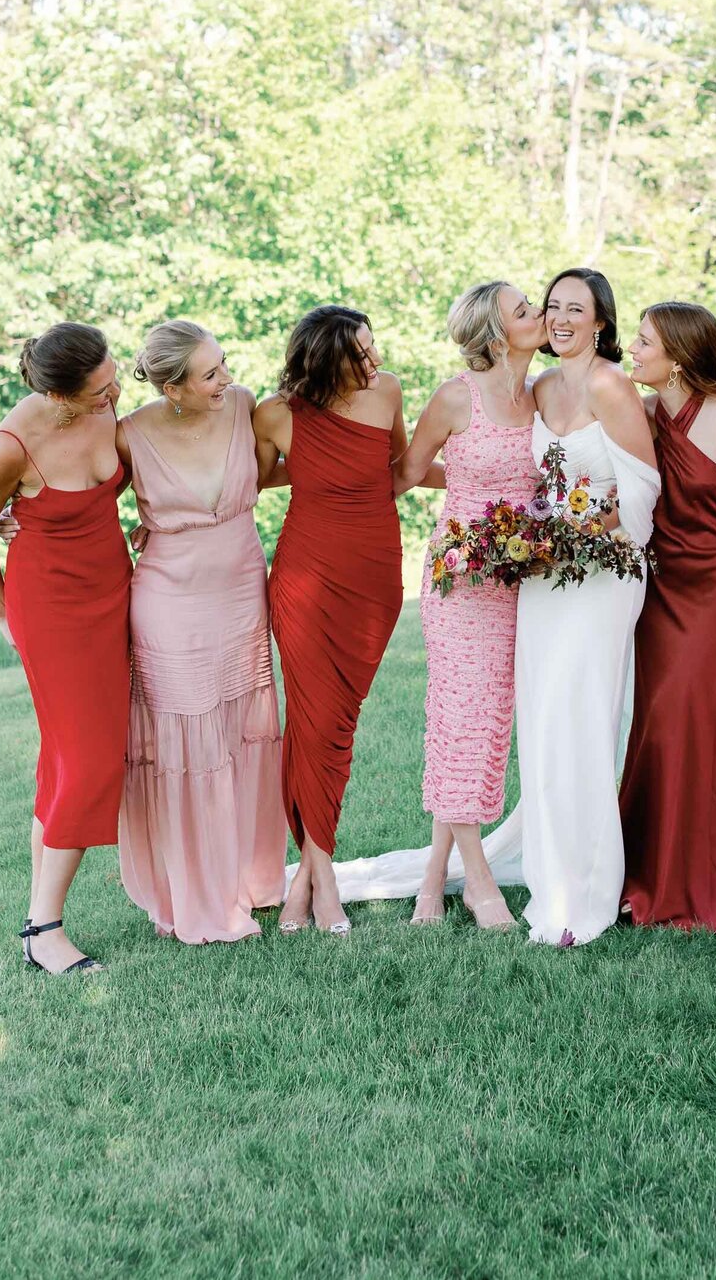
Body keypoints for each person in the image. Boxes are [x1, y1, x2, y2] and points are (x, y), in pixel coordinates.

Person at [0, 322, 131, 975]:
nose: (112, 393)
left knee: (65, 760)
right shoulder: (14, 442)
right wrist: (2, 611)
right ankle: (44, 928)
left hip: (111, 595)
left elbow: (121, 475)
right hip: (50, 610)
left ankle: (38, 922)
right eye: (99, 389)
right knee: (91, 763)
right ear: (61, 397)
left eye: (113, 377)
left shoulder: (106, 404)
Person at [118, 320, 287, 943]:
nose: (228, 379)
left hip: (243, 593)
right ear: (172, 387)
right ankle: (193, 894)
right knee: (187, 742)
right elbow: (74, 494)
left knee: (243, 734)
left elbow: (294, 464)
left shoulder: (243, 407)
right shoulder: (129, 435)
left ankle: (249, 875)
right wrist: (11, 518)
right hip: (169, 604)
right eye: (211, 373)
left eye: (225, 364)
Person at [394, 282, 545, 929]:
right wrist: (463, 487)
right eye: (525, 311)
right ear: (493, 332)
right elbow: (407, 471)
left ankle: (433, 879)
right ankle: (479, 884)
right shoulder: (456, 397)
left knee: (484, 731)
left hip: (524, 583)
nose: (540, 315)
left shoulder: (541, 396)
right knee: (467, 722)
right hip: (458, 582)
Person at [517, 267, 660, 947]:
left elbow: (642, 491)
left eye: (576, 309)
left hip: (604, 576)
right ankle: (549, 873)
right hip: (545, 580)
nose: (561, 319)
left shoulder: (611, 385)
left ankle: (587, 890)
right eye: (552, 307)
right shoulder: (539, 388)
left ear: (602, 321)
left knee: (581, 719)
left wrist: (574, 528)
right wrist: (525, 538)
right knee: (543, 721)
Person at [256, 306, 405, 935]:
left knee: (338, 723)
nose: (372, 364)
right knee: (314, 725)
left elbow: (400, 470)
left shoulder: (389, 391)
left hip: (373, 577)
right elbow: (255, 479)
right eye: (359, 356)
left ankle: (307, 877)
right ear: (323, 360)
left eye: (374, 350)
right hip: (305, 580)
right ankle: (319, 882)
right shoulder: (275, 413)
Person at [620, 301, 716, 931]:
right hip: (658, 586)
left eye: (644, 342)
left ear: (676, 356)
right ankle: (643, 876)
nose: (633, 348)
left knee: (699, 719)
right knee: (657, 723)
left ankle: (708, 887)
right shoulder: (640, 414)